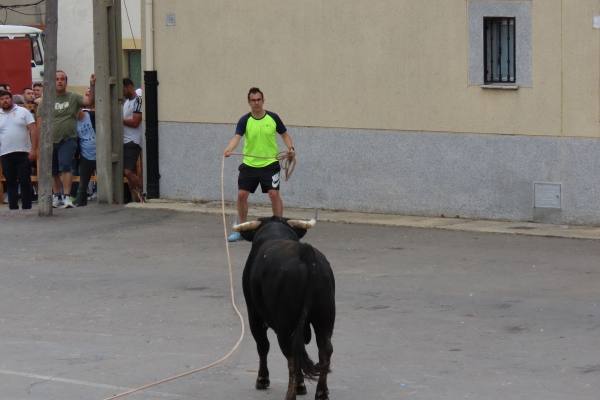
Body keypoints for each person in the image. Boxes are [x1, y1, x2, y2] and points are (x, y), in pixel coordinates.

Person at [223, 87, 295, 242]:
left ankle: (279, 229)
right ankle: (242, 229)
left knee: (273, 194)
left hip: (270, 164)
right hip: (249, 165)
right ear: (249, 102)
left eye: (259, 100)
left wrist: (291, 148)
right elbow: (237, 137)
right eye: (253, 100)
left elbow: (285, 135)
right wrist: (229, 149)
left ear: (263, 100)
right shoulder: (245, 120)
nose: (256, 103)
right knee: (242, 195)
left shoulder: (273, 118)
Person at [51, 70, 95, 208]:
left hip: (68, 139)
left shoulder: (73, 97)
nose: (59, 81)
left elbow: (89, 101)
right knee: (53, 170)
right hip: (51, 140)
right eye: (57, 79)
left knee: (65, 166)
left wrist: (92, 85)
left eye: (62, 79)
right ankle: (56, 196)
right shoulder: (47, 99)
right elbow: (40, 119)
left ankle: (67, 197)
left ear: (66, 82)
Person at [0, 90, 38, 210]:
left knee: (24, 181)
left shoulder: (23, 111)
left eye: (7, 98)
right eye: (1, 99)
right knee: (10, 182)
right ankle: (13, 208)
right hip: (5, 153)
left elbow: (33, 130)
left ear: (11, 99)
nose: (4, 101)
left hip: (23, 152)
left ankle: (27, 208)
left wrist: (33, 149)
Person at [122, 78, 145, 203]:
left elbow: (136, 122)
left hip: (133, 141)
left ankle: (143, 189)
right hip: (124, 141)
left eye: (123, 89)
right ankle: (136, 197)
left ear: (129, 87)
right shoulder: (126, 103)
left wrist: (119, 120)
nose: (122, 92)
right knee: (128, 172)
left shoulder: (138, 100)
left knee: (127, 171)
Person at [74, 101, 96, 207]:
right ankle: (80, 201)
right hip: (85, 154)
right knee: (83, 180)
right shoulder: (73, 122)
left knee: (105, 178)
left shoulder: (92, 115)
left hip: (100, 152)